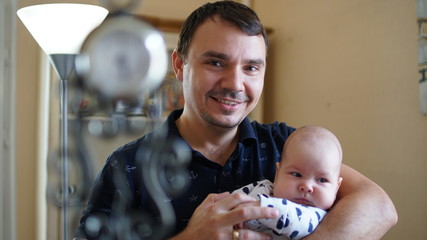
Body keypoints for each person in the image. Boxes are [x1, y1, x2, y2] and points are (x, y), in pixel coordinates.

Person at [75, 1, 397, 240]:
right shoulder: (126, 167)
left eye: (251, 67)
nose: (235, 84)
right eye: (216, 62)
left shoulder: (288, 146)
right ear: (179, 65)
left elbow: (379, 208)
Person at [232, 125, 343, 239]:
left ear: (336, 187)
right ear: (277, 174)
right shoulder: (263, 187)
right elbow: (234, 199)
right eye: (296, 174)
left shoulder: (316, 216)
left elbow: (292, 219)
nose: (307, 186)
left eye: (322, 180)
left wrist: (260, 207)